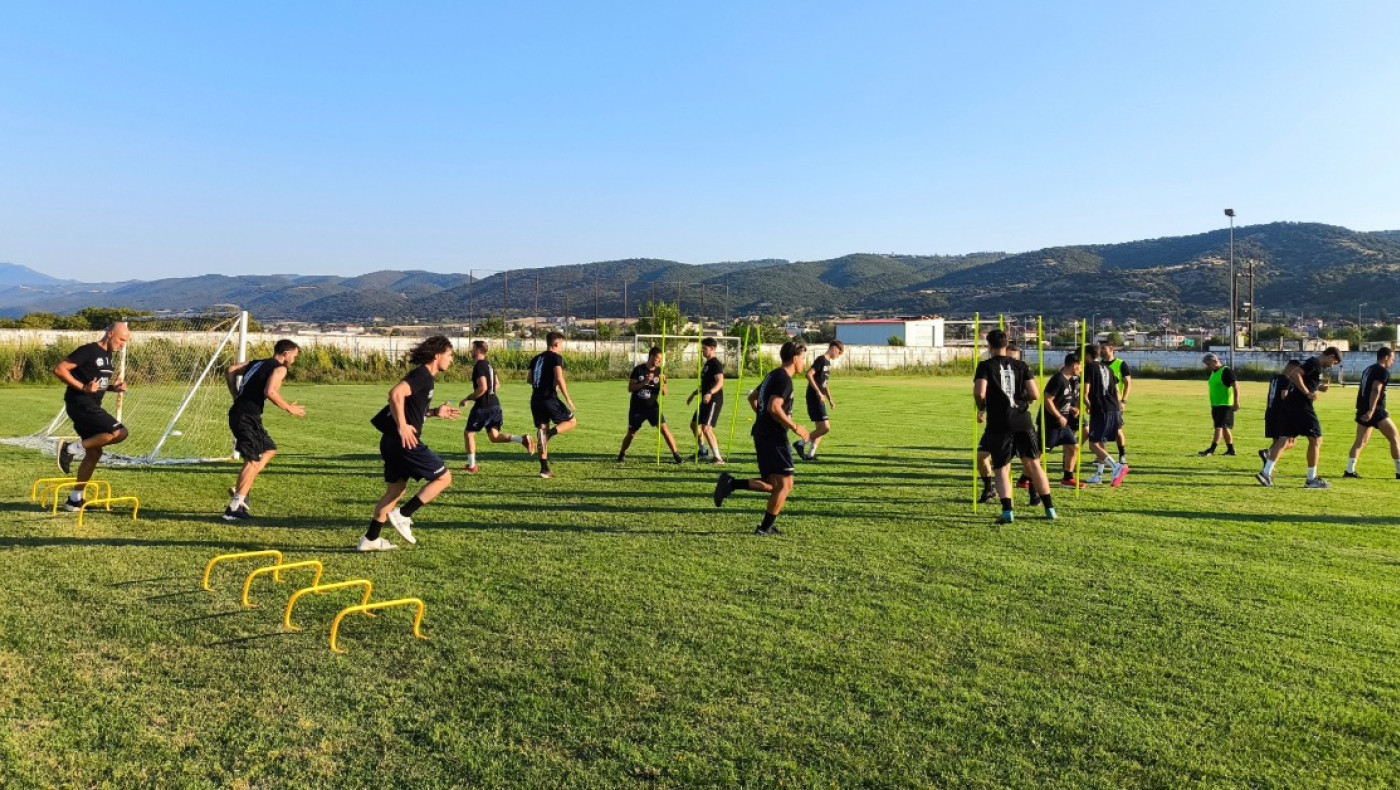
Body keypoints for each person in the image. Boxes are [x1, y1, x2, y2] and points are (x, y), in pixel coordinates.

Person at [360, 336, 460, 552]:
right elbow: (395, 394)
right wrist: (403, 426)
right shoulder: (422, 375)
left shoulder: (426, 379)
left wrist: (434, 412)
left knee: (395, 491)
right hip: (403, 440)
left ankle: (370, 539)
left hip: (390, 441)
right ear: (437, 355)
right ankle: (403, 515)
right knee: (444, 477)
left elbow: (412, 409)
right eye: (449, 355)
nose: (451, 360)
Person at [712, 341, 811, 536]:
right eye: (803, 358)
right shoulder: (784, 379)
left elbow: (753, 398)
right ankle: (765, 528)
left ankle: (731, 484)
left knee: (774, 484)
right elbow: (774, 407)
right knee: (785, 485)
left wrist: (763, 418)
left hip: (764, 433)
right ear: (795, 358)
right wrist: (795, 427)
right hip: (773, 436)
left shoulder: (773, 374)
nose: (804, 362)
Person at [973, 330, 1056, 524]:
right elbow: (1035, 394)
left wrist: (982, 406)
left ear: (989, 345)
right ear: (1007, 343)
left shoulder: (985, 366)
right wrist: (1020, 400)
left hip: (999, 423)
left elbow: (979, 392)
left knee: (1002, 468)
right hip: (1022, 421)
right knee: (1034, 465)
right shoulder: (1021, 365)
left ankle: (1007, 512)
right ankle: (1050, 508)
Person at [222, 339, 306, 521]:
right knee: (252, 460)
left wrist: (235, 394)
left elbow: (230, 370)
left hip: (245, 415)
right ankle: (234, 509)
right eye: (295, 356)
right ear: (286, 354)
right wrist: (289, 408)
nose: (295, 359)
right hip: (246, 417)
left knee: (269, 449)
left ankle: (241, 489)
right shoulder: (280, 368)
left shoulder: (257, 363)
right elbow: (271, 392)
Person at [54, 323, 132, 511]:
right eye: (121, 340)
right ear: (110, 334)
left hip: (91, 405)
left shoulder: (108, 356)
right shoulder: (88, 350)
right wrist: (82, 388)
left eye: (126, 342)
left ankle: (74, 501)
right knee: (119, 432)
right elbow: (60, 369)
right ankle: (69, 449)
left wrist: (114, 388)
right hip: (80, 403)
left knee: (95, 452)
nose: (123, 345)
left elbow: (98, 384)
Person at [1257, 347, 1342, 489]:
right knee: (1316, 440)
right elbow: (1295, 374)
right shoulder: (1314, 363)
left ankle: (1265, 473)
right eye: (1334, 362)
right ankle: (1311, 479)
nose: (1332, 365)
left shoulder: (1315, 365)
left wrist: (1318, 388)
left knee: (1284, 439)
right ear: (1331, 355)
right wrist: (1308, 393)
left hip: (1291, 405)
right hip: (1301, 406)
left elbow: (1303, 379)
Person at [458, 340, 532, 473]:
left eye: (473, 348)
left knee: (469, 434)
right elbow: (497, 384)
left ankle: (472, 466)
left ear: (479, 350)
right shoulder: (490, 366)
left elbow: (483, 388)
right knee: (494, 437)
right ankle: (522, 439)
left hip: (483, 407)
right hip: (495, 405)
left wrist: (468, 399)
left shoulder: (479, 366)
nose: (471, 351)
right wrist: (490, 395)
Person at [618, 346, 684, 464]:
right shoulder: (638, 370)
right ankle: (622, 453)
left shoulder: (660, 371)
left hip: (653, 407)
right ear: (651, 357)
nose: (659, 361)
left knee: (664, 429)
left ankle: (676, 455)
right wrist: (644, 382)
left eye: (660, 360)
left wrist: (663, 382)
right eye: (657, 358)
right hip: (637, 408)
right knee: (631, 434)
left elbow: (664, 393)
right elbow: (630, 388)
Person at [528, 331, 578, 479]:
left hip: (535, 399)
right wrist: (568, 398)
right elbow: (559, 377)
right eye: (561, 344)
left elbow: (530, 379)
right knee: (571, 421)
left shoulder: (536, 358)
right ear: (556, 344)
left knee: (541, 429)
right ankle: (549, 435)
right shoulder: (556, 357)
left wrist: (546, 383)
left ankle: (544, 470)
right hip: (549, 398)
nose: (561, 347)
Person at [1344, 347, 1399, 479]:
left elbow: (1363, 390)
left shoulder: (1368, 369)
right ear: (1386, 357)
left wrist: (1363, 409)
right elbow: (1375, 390)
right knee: (1395, 438)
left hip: (1365, 409)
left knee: (1360, 441)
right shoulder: (1382, 371)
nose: (1393, 362)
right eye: (1392, 359)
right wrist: (1372, 410)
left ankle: (1349, 471)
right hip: (1375, 412)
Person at [1082, 343, 1129, 486]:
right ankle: (1099, 475)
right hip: (1114, 408)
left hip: (1100, 410)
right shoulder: (1107, 368)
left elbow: (1085, 393)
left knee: (1093, 444)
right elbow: (1117, 391)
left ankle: (1116, 467)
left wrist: (1088, 405)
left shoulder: (1089, 368)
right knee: (1101, 442)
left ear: (1087, 355)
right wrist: (1120, 404)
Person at [794, 341, 843, 461]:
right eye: (839, 352)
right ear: (834, 348)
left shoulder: (827, 363)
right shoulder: (821, 359)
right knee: (825, 428)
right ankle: (800, 444)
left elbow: (825, 384)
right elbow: (809, 374)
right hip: (814, 397)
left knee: (820, 429)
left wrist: (830, 399)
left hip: (820, 398)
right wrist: (818, 392)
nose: (839, 355)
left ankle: (810, 455)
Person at [1041, 352, 1083, 488]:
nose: (1081, 369)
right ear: (1074, 365)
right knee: (1041, 453)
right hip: (1051, 423)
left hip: (1063, 424)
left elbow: (1060, 400)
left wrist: (1070, 408)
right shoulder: (1058, 379)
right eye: (1080, 366)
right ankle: (1024, 479)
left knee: (1073, 447)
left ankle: (1067, 478)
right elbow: (1047, 399)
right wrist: (1059, 416)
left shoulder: (1068, 380)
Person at [688, 337, 726, 464]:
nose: (702, 351)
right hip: (705, 399)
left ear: (712, 348)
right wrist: (694, 393)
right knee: (694, 424)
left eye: (704, 348)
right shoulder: (707, 364)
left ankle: (718, 458)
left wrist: (710, 393)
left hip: (714, 400)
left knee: (706, 429)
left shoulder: (715, 364)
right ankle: (702, 451)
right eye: (702, 348)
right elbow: (706, 383)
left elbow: (720, 382)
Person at [1198, 353, 1241, 457]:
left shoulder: (1226, 371)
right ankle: (1231, 450)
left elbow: (1236, 386)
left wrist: (1236, 402)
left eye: (1208, 364)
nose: (1207, 366)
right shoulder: (1214, 373)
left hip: (1225, 405)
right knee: (1225, 427)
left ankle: (1211, 450)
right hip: (1216, 405)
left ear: (1215, 361)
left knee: (1219, 427)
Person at [1101, 340, 1132, 464]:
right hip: (1101, 403)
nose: (1101, 351)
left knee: (1117, 430)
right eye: (1100, 348)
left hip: (1115, 403)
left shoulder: (1121, 364)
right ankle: (1102, 455)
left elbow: (1127, 383)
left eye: (1103, 348)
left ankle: (1122, 454)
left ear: (1111, 349)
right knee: (1101, 430)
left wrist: (1123, 400)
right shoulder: (1098, 365)